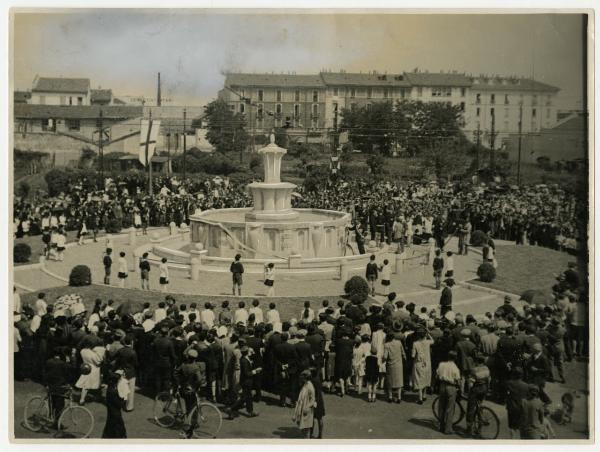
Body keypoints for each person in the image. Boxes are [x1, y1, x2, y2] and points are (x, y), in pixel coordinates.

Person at [228, 346, 260, 419]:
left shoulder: (245, 359)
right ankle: (232, 409)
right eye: (249, 351)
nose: (251, 352)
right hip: (246, 382)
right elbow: (246, 373)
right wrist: (255, 371)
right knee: (244, 398)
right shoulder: (244, 361)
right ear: (247, 352)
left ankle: (250, 411)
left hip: (247, 382)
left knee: (248, 397)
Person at [465, 353, 491, 437]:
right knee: (479, 407)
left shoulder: (474, 370)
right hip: (484, 389)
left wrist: (469, 390)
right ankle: (479, 429)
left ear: (476, 361)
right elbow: (489, 380)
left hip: (476, 389)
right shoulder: (487, 369)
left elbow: (471, 384)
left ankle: (469, 429)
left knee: (470, 409)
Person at [436, 351, 461, 435]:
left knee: (441, 407)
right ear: (455, 358)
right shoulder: (455, 368)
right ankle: (448, 429)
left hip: (442, 386)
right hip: (451, 387)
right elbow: (457, 380)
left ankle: (440, 426)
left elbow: (437, 375)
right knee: (450, 409)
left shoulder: (441, 364)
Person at [112, 336, 138, 412]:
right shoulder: (133, 352)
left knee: (121, 388)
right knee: (130, 390)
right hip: (131, 372)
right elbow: (136, 363)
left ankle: (120, 403)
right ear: (131, 342)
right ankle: (129, 407)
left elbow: (115, 359)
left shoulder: (120, 350)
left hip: (122, 370)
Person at [102, 371, 127, 438]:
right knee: (117, 424)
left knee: (111, 423)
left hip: (111, 410)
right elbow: (118, 403)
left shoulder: (110, 388)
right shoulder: (113, 391)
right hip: (115, 411)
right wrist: (123, 401)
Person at [506, 367, 530, 439]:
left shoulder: (509, 383)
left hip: (511, 408)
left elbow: (506, 393)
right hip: (522, 408)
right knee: (521, 426)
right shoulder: (526, 385)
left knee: (512, 427)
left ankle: (512, 441)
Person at [411, 328, 434, 404]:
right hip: (427, 363)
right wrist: (428, 334)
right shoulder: (427, 342)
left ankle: (420, 398)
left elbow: (413, 355)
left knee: (419, 379)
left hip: (418, 363)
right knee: (426, 378)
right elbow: (433, 341)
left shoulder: (415, 343)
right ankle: (424, 395)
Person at [293, 369, 317, 439]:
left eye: (302, 377)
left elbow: (312, 399)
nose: (301, 379)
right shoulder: (305, 384)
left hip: (307, 410)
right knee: (303, 429)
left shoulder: (310, 386)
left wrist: (307, 407)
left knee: (306, 430)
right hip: (303, 408)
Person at [383, 331, 405, 403]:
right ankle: (399, 397)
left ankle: (390, 397)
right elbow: (403, 353)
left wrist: (382, 360)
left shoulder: (387, 345)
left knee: (390, 381)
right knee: (399, 381)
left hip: (390, 365)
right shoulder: (399, 343)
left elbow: (385, 356)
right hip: (399, 364)